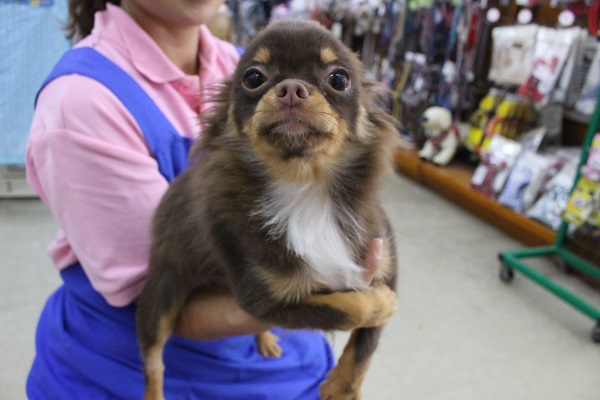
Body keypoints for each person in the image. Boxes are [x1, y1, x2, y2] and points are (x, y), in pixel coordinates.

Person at [25, 0, 383, 398]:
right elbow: (158, 292)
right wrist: (322, 298)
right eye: (256, 81)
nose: (290, 92)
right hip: (137, 376)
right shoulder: (80, 102)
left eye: (334, 81)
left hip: (293, 366)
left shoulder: (234, 59)